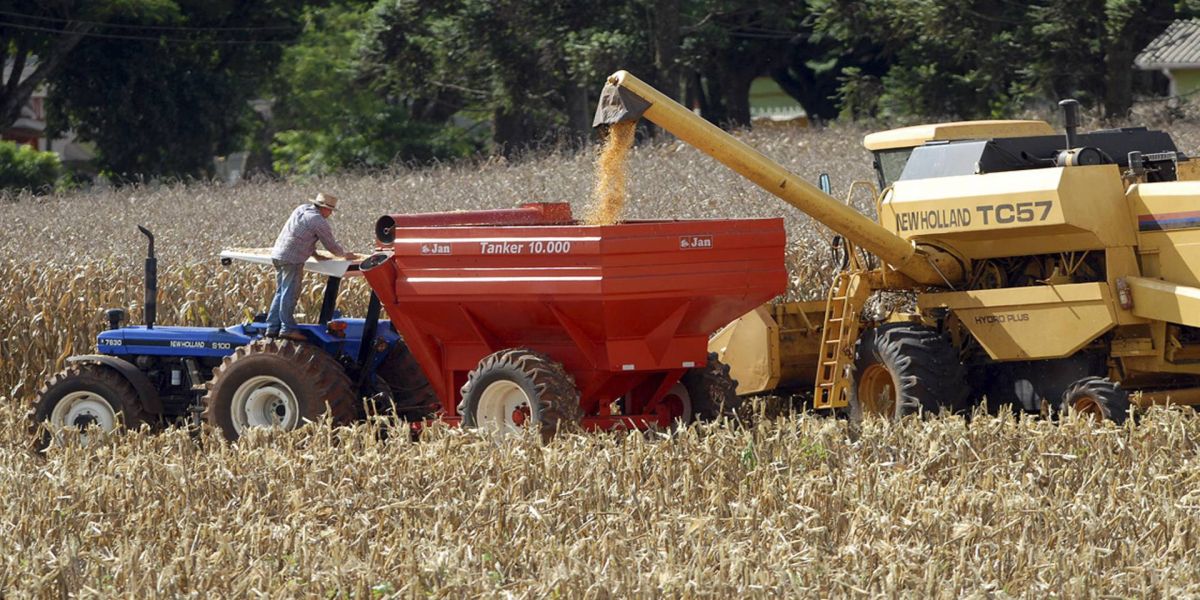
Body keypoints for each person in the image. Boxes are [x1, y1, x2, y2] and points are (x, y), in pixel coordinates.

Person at [266, 192, 357, 341]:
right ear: (324, 208)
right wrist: (345, 255)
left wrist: (314, 254)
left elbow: (300, 236)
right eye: (330, 210)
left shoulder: (301, 209)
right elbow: (330, 244)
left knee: (281, 291)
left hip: (278, 254)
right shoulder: (318, 220)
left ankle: (272, 327)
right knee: (290, 293)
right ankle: (287, 329)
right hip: (292, 258)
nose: (330, 214)